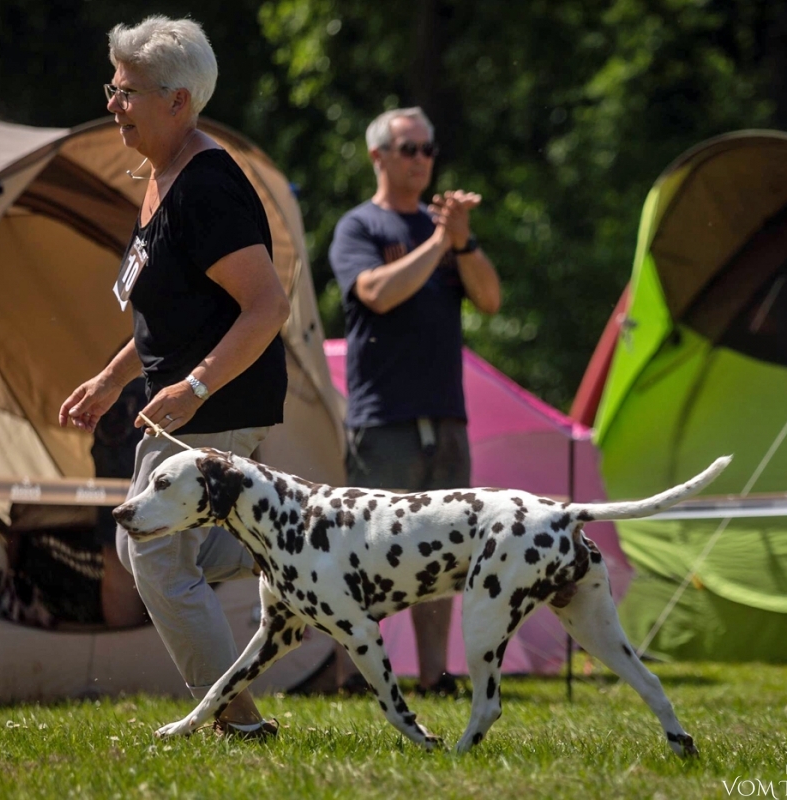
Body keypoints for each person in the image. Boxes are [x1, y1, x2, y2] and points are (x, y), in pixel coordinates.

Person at [58, 15, 290, 738]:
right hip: (185, 403)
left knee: (154, 553)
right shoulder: (162, 177)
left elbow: (268, 305)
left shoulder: (205, 188)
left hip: (212, 404)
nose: (113, 104)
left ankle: (237, 721)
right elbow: (167, 313)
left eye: (126, 92)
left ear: (178, 101)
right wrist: (108, 379)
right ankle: (287, 547)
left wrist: (194, 388)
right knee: (147, 545)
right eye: (114, 87)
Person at [328, 107, 501, 694]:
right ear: (378, 156)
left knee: (447, 553)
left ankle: (433, 676)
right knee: (369, 555)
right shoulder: (358, 227)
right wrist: (439, 241)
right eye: (409, 149)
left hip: (445, 416)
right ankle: (357, 676)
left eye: (428, 149)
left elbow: (491, 299)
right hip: (383, 420)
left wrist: (465, 241)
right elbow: (377, 293)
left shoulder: (448, 236)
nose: (422, 159)